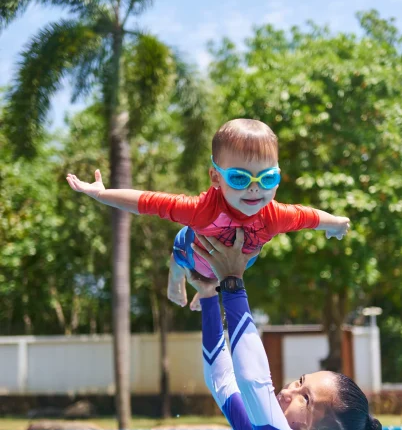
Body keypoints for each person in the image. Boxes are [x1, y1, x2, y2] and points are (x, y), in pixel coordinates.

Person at [186, 229, 382, 430]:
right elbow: (221, 379)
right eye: (300, 381)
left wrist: (233, 284)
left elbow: (253, 382)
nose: (290, 389)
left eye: (305, 398)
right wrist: (208, 294)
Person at [66, 118, 350, 311]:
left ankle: (206, 291)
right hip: (192, 252)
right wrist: (101, 194)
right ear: (216, 176)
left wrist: (336, 223)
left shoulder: (274, 215)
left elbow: (309, 217)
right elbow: (148, 202)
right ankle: (176, 278)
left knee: (217, 280)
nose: (255, 189)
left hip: (230, 265)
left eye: (267, 179)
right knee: (178, 256)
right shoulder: (202, 210)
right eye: (240, 179)